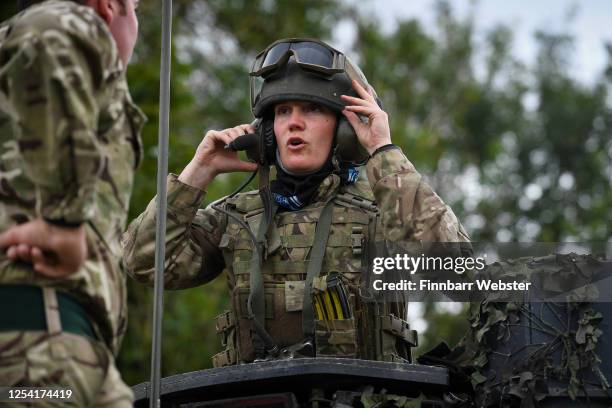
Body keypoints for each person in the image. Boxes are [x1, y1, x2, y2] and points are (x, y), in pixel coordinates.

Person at [123, 38, 470, 367]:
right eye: (283, 111)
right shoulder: (237, 217)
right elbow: (144, 263)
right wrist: (198, 172)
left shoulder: (385, 211)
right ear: (266, 133)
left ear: (345, 130)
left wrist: (383, 152)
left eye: (313, 109)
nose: (294, 123)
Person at [0, 0, 144, 406]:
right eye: (135, 8)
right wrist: (62, 225)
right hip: (34, 341)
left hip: (74, 345)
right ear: (108, 7)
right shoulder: (65, 22)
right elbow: (47, 29)